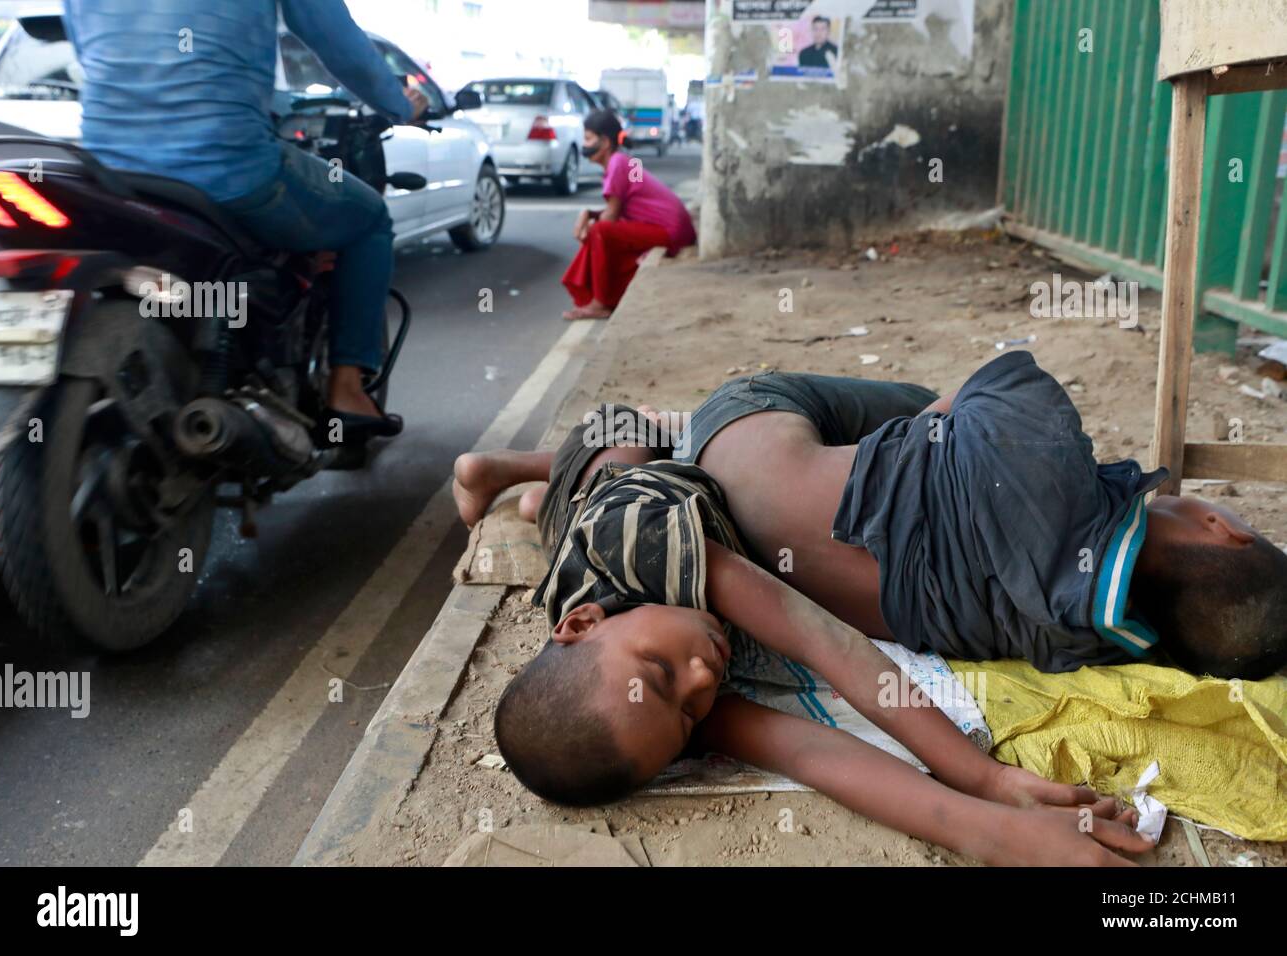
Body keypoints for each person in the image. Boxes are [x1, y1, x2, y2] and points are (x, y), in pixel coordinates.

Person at [452, 382, 1157, 866]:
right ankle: (536, 496)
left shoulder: (640, 540)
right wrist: (998, 831)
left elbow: (824, 641)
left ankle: (515, 468)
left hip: (656, 469)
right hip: (584, 525)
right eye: (691, 707)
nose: (705, 676)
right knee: (568, 502)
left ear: (581, 624)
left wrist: (981, 776)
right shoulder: (653, 707)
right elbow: (809, 754)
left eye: (660, 672)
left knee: (625, 441)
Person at [62, 0, 429, 442]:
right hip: (225, 167)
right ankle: (346, 388)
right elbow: (335, 37)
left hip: (109, 171)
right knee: (369, 219)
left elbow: (91, 48)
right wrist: (399, 104)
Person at [561, 109, 697, 321]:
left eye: (588, 139)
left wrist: (588, 223)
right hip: (676, 227)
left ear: (605, 142)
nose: (585, 146)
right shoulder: (626, 160)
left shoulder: (616, 163)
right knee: (604, 232)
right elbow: (628, 202)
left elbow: (611, 217)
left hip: (670, 231)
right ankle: (605, 298)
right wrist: (588, 213)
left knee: (600, 232)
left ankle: (600, 303)